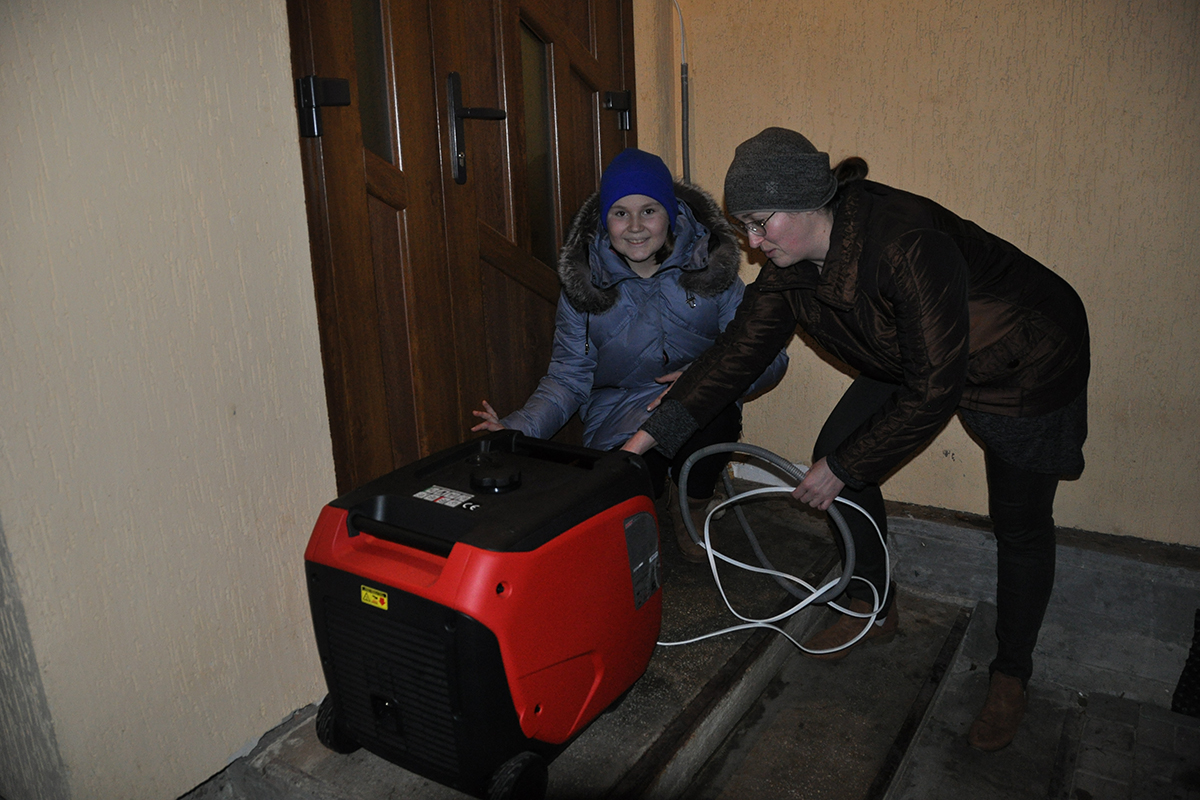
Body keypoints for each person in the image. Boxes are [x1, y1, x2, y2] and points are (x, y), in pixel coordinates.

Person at [622, 128, 1089, 752]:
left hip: (1022, 359)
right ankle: (876, 604)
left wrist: (843, 466)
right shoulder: (793, 264)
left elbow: (933, 391)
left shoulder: (905, 247)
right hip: (915, 352)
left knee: (1020, 522)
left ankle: (1011, 675)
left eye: (761, 224)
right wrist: (640, 446)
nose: (754, 246)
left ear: (811, 203)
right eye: (746, 229)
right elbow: (735, 355)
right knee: (840, 454)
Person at [472, 148, 788, 561]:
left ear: (671, 214)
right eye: (620, 213)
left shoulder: (712, 270)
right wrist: (516, 430)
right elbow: (568, 376)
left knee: (716, 408)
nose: (635, 227)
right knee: (629, 502)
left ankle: (692, 505)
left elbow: (768, 357)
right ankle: (655, 496)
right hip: (619, 417)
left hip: (698, 403)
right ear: (604, 219)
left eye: (649, 211)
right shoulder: (585, 289)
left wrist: (707, 374)